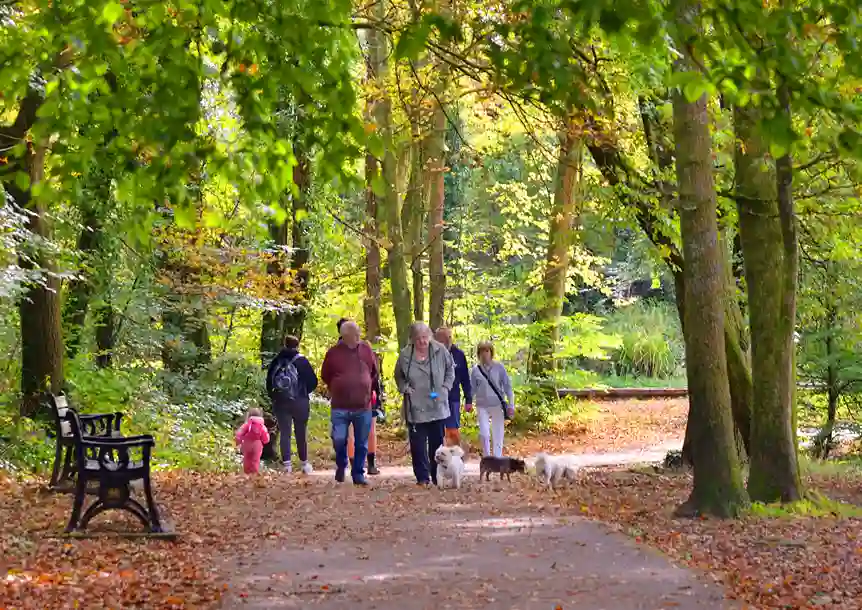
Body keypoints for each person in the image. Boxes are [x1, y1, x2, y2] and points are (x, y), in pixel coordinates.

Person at [394, 321, 455, 487]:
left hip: (437, 403)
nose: (422, 341)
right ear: (412, 339)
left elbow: (451, 370)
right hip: (415, 405)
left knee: (436, 443)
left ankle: (437, 476)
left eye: (425, 337)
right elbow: (398, 376)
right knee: (418, 444)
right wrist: (404, 388)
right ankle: (422, 477)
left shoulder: (440, 350)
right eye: (418, 338)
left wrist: (445, 388)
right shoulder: (405, 355)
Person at [321, 320, 379, 485]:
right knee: (339, 438)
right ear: (345, 336)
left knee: (361, 442)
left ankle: (358, 474)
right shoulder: (333, 353)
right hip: (340, 406)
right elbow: (325, 375)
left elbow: (374, 371)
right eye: (355, 335)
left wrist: (366, 385)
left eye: (358, 334)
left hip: (363, 405)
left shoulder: (366, 349)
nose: (358, 337)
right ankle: (341, 464)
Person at [266, 335, 318, 474]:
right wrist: (304, 392)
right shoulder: (302, 361)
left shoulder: (276, 360)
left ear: (284, 344)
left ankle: (287, 465)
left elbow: (269, 382)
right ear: (297, 345)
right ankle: (304, 464)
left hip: (281, 402)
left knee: (285, 432)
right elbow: (313, 381)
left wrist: (275, 397)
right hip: (300, 401)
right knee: (301, 432)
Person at [338, 318, 384, 475]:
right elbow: (374, 372)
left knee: (350, 431)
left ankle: (353, 465)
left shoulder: (336, 351)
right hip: (366, 395)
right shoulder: (364, 348)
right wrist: (374, 391)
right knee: (370, 429)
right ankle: (370, 464)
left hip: (345, 397)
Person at [469, 341, 515, 458]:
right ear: (478, 354)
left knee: (498, 434)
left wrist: (511, 405)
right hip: (482, 405)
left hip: (497, 405)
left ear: (491, 352)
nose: (484, 354)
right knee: (484, 433)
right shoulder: (475, 370)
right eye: (482, 351)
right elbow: (472, 388)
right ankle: (487, 457)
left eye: (487, 351)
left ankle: (497, 458)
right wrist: (468, 401)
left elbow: (508, 387)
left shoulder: (499, 368)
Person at [434, 327, 472, 448]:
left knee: (453, 430)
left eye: (445, 338)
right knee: (437, 430)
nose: (443, 341)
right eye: (439, 339)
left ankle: (455, 456)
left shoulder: (459, 355)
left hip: (453, 398)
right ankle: (439, 456)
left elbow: (465, 379)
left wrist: (468, 400)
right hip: (435, 397)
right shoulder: (432, 354)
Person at [235, 407, 270, 475]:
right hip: (257, 444)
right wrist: (265, 441)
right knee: (256, 460)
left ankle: (247, 472)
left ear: (249, 415)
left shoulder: (247, 424)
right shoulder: (262, 425)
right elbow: (265, 436)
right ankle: (254, 473)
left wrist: (238, 441)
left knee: (247, 459)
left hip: (247, 443)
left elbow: (240, 433)